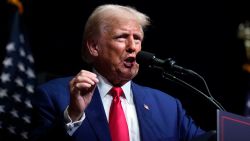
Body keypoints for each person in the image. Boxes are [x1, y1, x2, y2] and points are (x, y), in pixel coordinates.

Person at [30, 4, 213, 141]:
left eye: (137, 39)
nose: (133, 47)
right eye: (122, 37)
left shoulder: (168, 106)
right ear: (94, 46)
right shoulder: (54, 95)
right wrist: (73, 115)